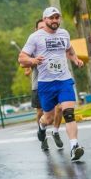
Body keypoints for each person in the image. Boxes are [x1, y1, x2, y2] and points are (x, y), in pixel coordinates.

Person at [18, 7, 84, 161]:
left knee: (68, 113)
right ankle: (42, 127)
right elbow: (21, 58)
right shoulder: (35, 37)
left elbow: (70, 50)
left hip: (64, 80)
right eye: (51, 18)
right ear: (45, 19)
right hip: (46, 83)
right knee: (48, 118)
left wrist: (75, 59)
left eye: (57, 17)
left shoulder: (64, 34)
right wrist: (33, 60)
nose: (55, 21)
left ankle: (74, 146)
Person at [24, 19, 64, 150]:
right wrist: (32, 62)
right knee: (41, 112)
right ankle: (43, 135)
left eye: (44, 27)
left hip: (56, 81)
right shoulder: (34, 43)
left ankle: (56, 131)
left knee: (60, 107)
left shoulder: (53, 40)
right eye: (40, 27)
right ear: (36, 30)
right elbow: (23, 62)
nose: (43, 29)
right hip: (39, 83)